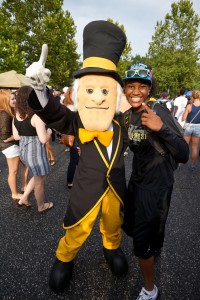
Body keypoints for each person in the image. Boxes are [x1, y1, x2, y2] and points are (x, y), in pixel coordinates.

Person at [26, 20, 128, 293]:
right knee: (78, 227)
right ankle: (65, 257)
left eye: (104, 91)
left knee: (112, 222)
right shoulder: (79, 122)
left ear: (115, 95)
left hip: (115, 190)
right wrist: (39, 90)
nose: (97, 98)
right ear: (81, 93)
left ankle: (111, 248)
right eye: (91, 91)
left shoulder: (122, 125)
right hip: (87, 187)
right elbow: (57, 115)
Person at [122, 62, 189, 300]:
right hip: (137, 183)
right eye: (131, 86)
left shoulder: (158, 111)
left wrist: (162, 129)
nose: (136, 91)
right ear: (125, 89)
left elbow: (184, 153)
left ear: (149, 90)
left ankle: (150, 290)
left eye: (142, 86)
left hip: (158, 186)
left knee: (141, 243)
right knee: (131, 227)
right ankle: (153, 246)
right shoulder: (127, 116)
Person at [12, 85, 54, 212]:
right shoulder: (36, 116)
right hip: (36, 154)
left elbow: (16, 136)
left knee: (37, 176)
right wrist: (49, 132)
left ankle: (23, 198)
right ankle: (41, 206)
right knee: (40, 182)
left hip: (24, 152)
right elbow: (43, 139)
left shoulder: (16, 115)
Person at [0, 90, 26, 200]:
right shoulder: (4, 114)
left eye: (14, 97)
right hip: (10, 146)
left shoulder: (7, 111)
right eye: (12, 98)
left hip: (13, 145)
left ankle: (25, 186)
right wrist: (16, 136)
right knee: (13, 171)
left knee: (27, 165)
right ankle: (14, 193)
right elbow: (5, 137)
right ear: (5, 101)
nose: (15, 100)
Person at [63, 87, 79, 188]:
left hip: (71, 136)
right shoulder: (72, 108)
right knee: (75, 159)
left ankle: (72, 179)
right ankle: (70, 180)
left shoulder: (66, 106)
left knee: (76, 159)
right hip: (75, 136)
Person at [181, 90, 200, 171]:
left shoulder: (190, 106)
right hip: (198, 127)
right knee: (195, 147)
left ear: (192, 96)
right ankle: (192, 166)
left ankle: (180, 164)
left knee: (184, 146)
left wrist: (183, 114)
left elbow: (183, 118)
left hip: (188, 126)